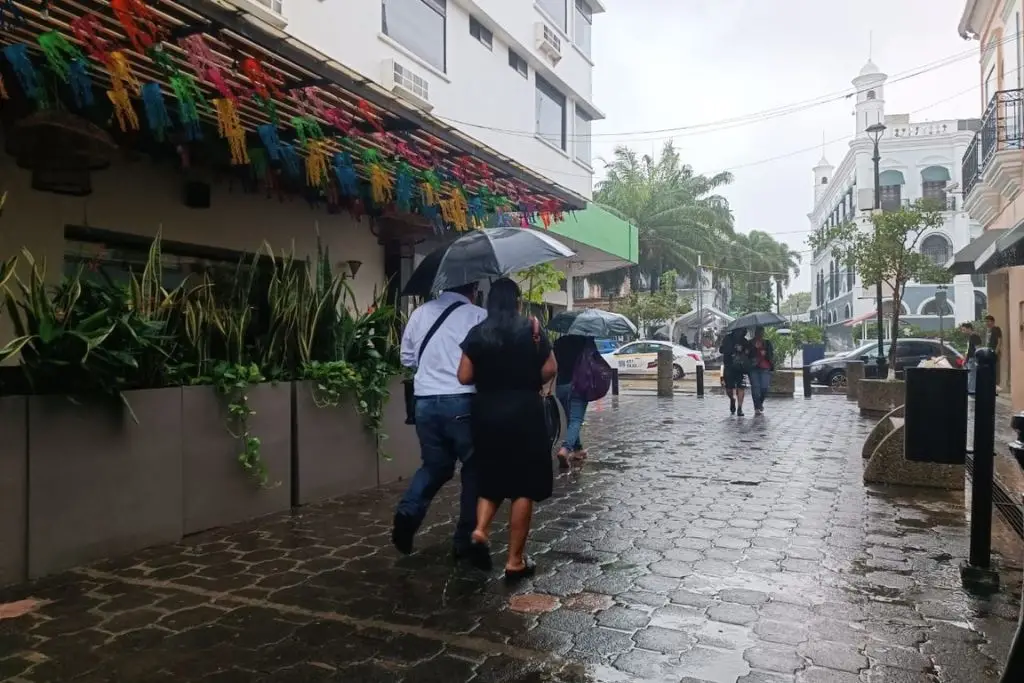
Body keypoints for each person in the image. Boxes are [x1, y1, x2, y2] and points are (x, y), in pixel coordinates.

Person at [456, 278, 557, 581]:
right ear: (517, 301)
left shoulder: (478, 333)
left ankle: (479, 530)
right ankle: (514, 561)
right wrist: (529, 377)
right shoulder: (533, 328)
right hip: (525, 413)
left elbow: (463, 376)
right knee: (523, 486)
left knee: (492, 477)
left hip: (487, 414)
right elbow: (551, 368)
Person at [393, 282, 487, 559]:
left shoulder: (420, 313)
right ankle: (465, 539)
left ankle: (408, 511)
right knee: (474, 469)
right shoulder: (478, 315)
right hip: (463, 401)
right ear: (473, 289)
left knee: (435, 465)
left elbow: (407, 358)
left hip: (424, 402)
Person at [553, 334, 595, 468]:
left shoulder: (559, 342)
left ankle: (578, 450)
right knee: (576, 419)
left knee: (571, 420)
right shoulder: (586, 341)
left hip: (561, 386)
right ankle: (565, 449)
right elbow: (593, 361)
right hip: (579, 384)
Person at [719, 329, 752, 416]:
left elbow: (748, 352)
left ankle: (740, 408)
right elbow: (721, 350)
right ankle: (732, 399)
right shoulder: (727, 338)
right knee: (729, 388)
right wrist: (732, 349)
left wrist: (744, 350)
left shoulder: (744, 341)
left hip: (740, 367)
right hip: (729, 366)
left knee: (741, 387)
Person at [748, 326, 775, 415]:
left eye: (761, 333)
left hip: (765, 367)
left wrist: (765, 353)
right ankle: (756, 406)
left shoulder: (767, 343)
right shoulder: (750, 343)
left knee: (764, 387)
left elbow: (771, 355)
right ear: (755, 333)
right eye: (758, 333)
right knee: (755, 387)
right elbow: (747, 355)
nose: (760, 335)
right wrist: (755, 349)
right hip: (753, 368)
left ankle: (760, 403)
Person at [961, 322, 982, 395]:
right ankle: (971, 389)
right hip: (970, 358)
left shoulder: (974, 336)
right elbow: (969, 349)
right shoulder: (971, 337)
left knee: (972, 375)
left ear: (969, 328)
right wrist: (965, 359)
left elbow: (977, 348)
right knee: (970, 374)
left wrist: (976, 359)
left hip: (973, 358)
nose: (963, 332)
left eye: (964, 330)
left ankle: (971, 390)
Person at [985, 315, 1003, 390]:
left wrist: (996, 352)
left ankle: (996, 384)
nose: (987, 323)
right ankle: (991, 384)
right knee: (989, 369)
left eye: (988, 321)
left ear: (993, 322)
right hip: (988, 352)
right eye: (986, 322)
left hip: (994, 352)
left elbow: (999, 341)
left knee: (995, 368)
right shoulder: (987, 330)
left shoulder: (996, 329)